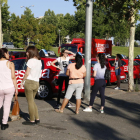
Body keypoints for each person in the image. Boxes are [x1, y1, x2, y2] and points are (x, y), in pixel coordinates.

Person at [20, 46, 42, 125]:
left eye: (27, 52)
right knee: (32, 101)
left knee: (30, 102)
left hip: (29, 82)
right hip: (36, 82)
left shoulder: (30, 61)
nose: (26, 53)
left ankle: (32, 120)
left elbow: (27, 73)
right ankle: (37, 118)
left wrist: (22, 81)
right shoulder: (39, 61)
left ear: (31, 52)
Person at [0, 48, 18, 130]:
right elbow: (13, 77)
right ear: (4, 54)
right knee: (7, 106)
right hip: (9, 87)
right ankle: (4, 123)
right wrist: (16, 88)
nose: (9, 55)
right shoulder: (10, 64)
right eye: (7, 53)